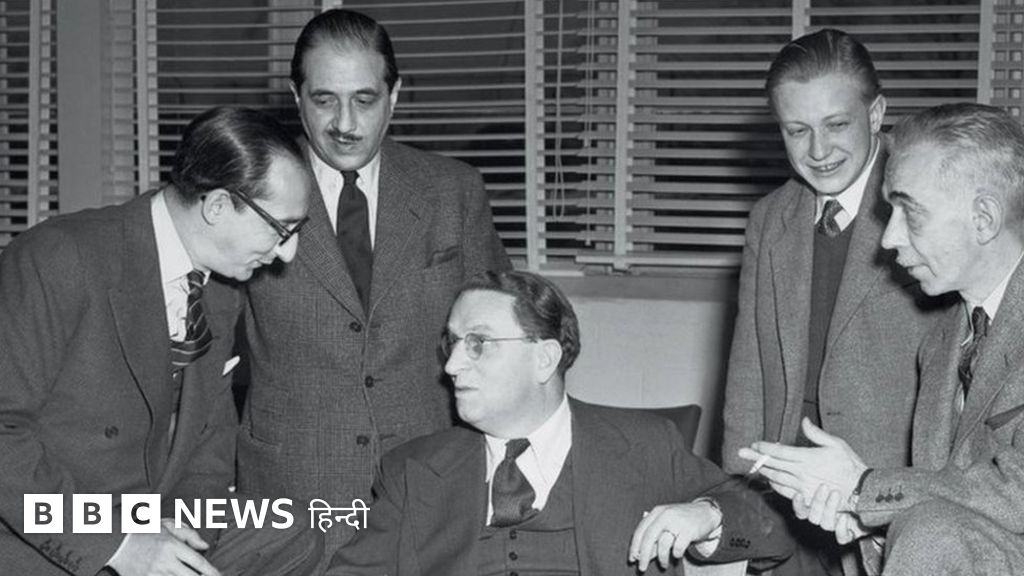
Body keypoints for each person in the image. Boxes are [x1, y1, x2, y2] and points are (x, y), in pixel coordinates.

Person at [0, 107, 322, 576]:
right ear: (217, 206)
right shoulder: (59, 256)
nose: (288, 252)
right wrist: (119, 546)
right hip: (46, 523)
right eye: (280, 229)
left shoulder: (220, 289)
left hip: (146, 516)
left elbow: (209, 446)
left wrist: (181, 535)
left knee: (293, 531)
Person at [237, 7, 510, 553]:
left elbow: (503, 337)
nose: (345, 123)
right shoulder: (249, 191)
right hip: (291, 492)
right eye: (324, 100)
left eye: (364, 100)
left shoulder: (453, 191)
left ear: (394, 95)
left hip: (430, 484)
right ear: (296, 97)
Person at [326, 270, 792, 575]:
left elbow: (773, 525)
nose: (451, 366)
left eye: (478, 343)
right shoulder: (413, 470)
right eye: (451, 343)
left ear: (545, 358)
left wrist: (707, 515)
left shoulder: (644, 446)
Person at [741, 102, 1024, 576]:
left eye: (910, 213)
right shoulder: (943, 341)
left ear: (984, 218)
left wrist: (864, 488)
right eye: (889, 211)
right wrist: (867, 523)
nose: (888, 238)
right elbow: (954, 515)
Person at [721, 29, 949, 575]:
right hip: (784, 499)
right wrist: (735, 502)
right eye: (797, 130)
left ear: (876, 114)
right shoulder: (769, 218)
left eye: (837, 125)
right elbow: (749, 375)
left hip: (889, 505)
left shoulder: (927, 205)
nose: (818, 151)